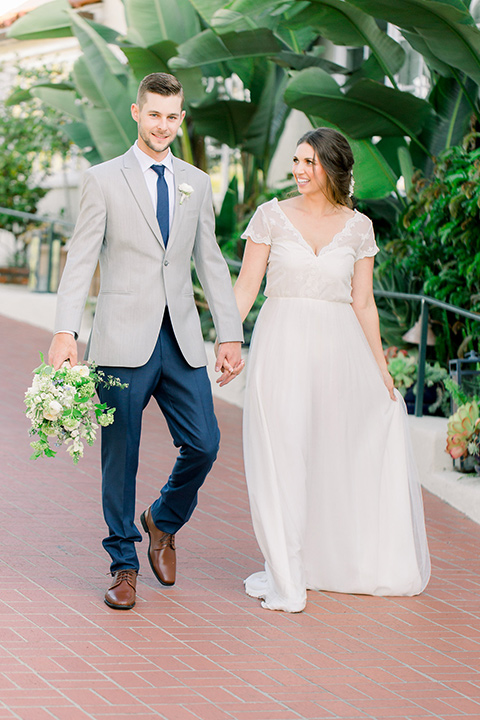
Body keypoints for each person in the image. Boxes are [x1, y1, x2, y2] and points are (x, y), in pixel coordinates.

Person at [48, 73, 244, 610]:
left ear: (181, 119)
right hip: (120, 339)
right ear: (137, 113)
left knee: (205, 442)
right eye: (154, 114)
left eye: (172, 116)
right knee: (122, 456)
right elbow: (80, 259)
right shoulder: (102, 180)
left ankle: (163, 518)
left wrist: (229, 333)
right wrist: (67, 330)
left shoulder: (197, 183)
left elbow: (211, 262)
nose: (163, 125)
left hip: (180, 339)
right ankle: (123, 565)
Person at [234, 127, 431, 613]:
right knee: (278, 454)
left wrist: (382, 370)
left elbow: (363, 303)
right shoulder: (270, 217)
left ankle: (324, 557)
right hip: (280, 346)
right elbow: (244, 291)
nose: (299, 170)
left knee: (329, 453)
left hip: (340, 352)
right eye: (297, 161)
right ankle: (285, 573)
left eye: (310, 163)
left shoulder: (359, 226)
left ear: (333, 168)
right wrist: (225, 341)